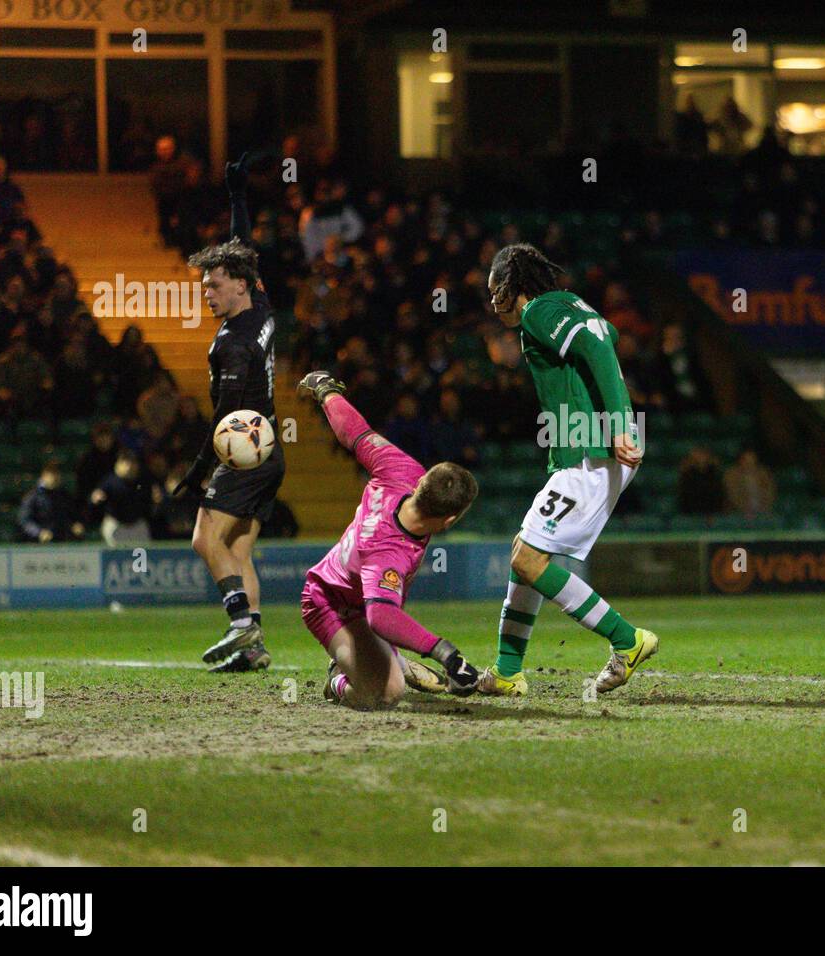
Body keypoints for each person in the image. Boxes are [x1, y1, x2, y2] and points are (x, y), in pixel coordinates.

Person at [480, 243, 659, 697]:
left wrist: (619, 425)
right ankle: (506, 670)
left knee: (526, 558)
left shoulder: (541, 309)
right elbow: (609, 333)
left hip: (591, 450)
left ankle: (627, 639)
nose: (492, 299)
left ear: (512, 286)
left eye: (495, 288)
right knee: (526, 554)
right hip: (584, 450)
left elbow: (598, 344)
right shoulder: (566, 304)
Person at [296, 371, 481, 709]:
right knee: (385, 696)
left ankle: (386, 659)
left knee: (386, 658)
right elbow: (380, 616)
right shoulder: (389, 552)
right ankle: (338, 679)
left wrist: (326, 392)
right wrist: (447, 654)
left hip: (361, 598)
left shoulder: (401, 470)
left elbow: (355, 432)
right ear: (449, 520)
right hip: (329, 604)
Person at [172, 152, 285, 673]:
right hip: (270, 452)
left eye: (214, 286)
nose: (208, 294)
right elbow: (242, 251)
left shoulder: (233, 347)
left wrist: (196, 474)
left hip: (243, 452)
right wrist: (238, 197)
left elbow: (223, 420)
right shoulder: (258, 304)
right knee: (238, 553)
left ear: (237, 286)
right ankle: (255, 649)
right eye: (204, 287)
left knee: (204, 538)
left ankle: (241, 624)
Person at [18, 461, 84, 543]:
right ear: (44, 476)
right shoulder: (33, 496)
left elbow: (70, 515)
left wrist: (74, 525)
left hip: (62, 542)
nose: (55, 478)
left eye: (56, 474)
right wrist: (39, 532)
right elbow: (25, 520)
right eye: (52, 475)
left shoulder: (64, 495)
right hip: (39, 544)